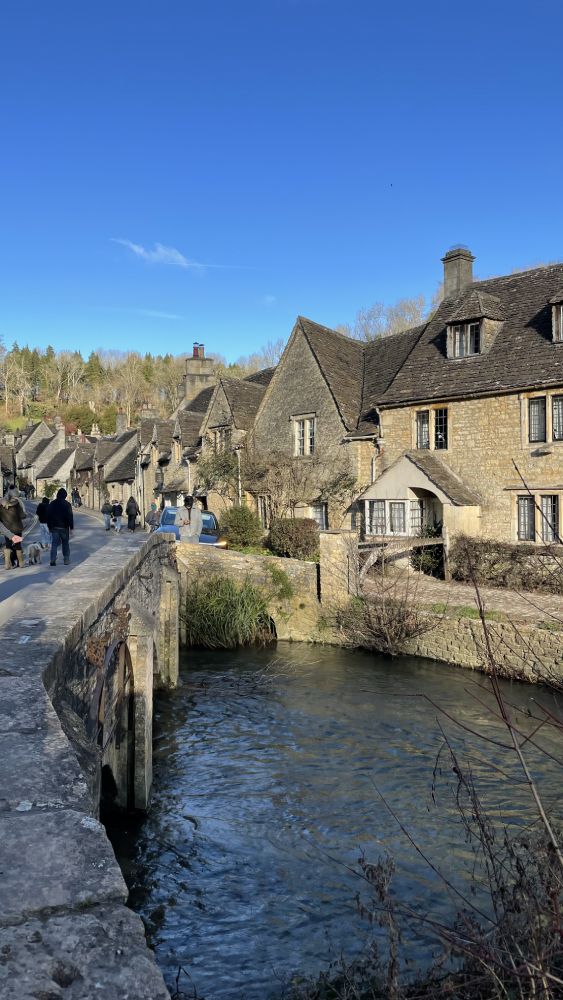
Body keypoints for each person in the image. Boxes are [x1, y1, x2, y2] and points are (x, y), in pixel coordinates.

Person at [46, 487, 74, 566]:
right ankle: (66, 559)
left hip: (54, 528)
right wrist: (71, 527)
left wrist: (49, 527)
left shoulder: (52, 503)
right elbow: (70, 516)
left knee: (54, 544)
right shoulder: (67, 504)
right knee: (65, 543)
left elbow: (48, 516)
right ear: (65, 496)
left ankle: (53, 559)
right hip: (64, 528)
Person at [0, 495, 26, 569]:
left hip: (7, 530)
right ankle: (21, 563)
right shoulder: (16, 504)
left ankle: (8, 564)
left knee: (8, 546)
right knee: (18, 545)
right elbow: (23, 515)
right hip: (17, 528)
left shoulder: (0, 507)